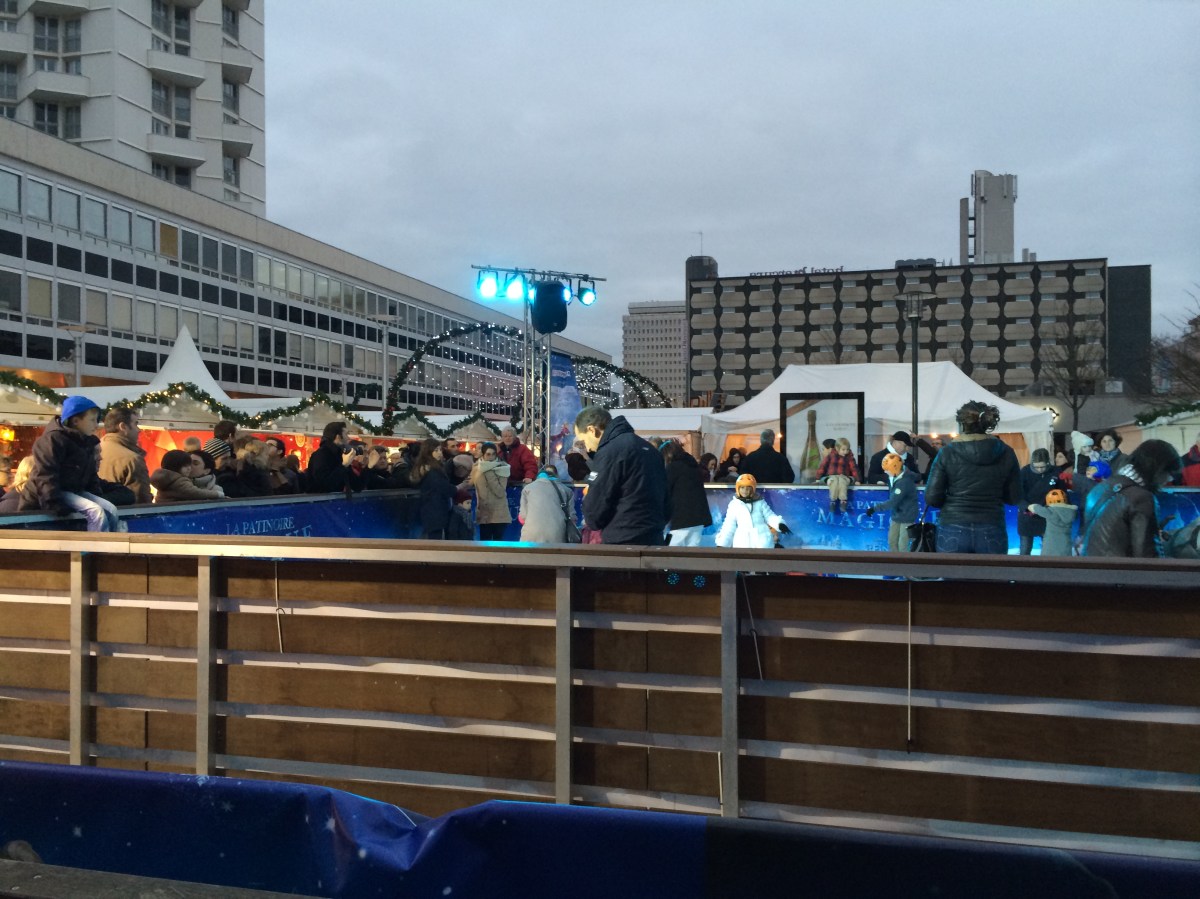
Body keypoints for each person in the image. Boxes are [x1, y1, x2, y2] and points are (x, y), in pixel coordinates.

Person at [923, 401, 1021, 554]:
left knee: (954, 578)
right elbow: (1014, 497)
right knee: (989, 578)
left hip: (952, 526)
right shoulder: (1006, 452)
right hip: (992, 525)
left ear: (962, 424)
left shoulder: (947, 453)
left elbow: (932, 498)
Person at [22, 396, 122, 532]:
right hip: (52, 493)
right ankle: (97, 550)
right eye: (92, 420)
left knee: (111, 509)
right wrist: (54, 503)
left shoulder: (86, 441)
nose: (96, 424)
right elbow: (46, 474)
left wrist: (95, 493)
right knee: (95, 511)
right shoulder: (52, 440)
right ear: (76, 421)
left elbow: (90, 474)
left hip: (72, 491)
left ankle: (112, 546)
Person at [575, 405, 669, 546]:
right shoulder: (650, 450)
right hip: (654, 538)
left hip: (622, 540)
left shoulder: (610, 452)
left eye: (583, 441)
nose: (587, 448)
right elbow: (667, 501)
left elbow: (595, 511)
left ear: (592, 430)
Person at [1081, 440, 1182, 558]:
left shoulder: (1100, 488)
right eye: (1169, 472)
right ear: (1158, 469)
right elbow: (1147, 557)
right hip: (1120, 573)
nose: (1169, 479)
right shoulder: (1142, 499)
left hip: (1090, 569)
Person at [715, 474, 790, 549]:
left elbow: (769, 516)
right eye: (742, 488)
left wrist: (779, 524)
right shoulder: (734, 505)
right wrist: (722, 543)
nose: (745, 491)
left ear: (752, 489)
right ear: (738, 489)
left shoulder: (760, 502)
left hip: (762, 541)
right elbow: (729, 526)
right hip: (743, 543)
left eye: (748, 488)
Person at [98, 407, 151, 504]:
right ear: (123, 427)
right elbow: (142, 503)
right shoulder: (132, 459)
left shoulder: (96, 449)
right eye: (135, 424)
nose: (139, 430)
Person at [865, 453, 917, 553]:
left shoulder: (904, 482)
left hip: (907, 517)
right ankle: (894, 565)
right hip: (897, 515)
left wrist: (874, 508)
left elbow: (893, 501)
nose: (885, 471)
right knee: (892, 542)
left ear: (894, 468)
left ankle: (905, 566)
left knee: (902, 545)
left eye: (887, 469)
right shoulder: (894, 477)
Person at [662, 441, 712, 546]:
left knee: (673, 553)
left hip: (681, 518)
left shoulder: (673, 468)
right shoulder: (693, 466)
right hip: (698, 518)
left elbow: (665, 491)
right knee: (692, 553)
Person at [1016, 448, 1062, 555]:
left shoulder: (1056, 471)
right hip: (1027, 515)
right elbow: (1017, 495)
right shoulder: (1024, 472)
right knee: (1025, 548)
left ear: (1048, 463)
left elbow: (1062, 492)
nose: (1039, 469)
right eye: (1036, 467)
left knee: (1048, 549)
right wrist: (1027, 506)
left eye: (1042, 467)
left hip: (1047, 515)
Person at [409, 437, 455, 539]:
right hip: (434, 511)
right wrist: (460, 487)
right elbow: (444, 488)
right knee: (435, 541)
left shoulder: (430, 467)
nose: (439, 453)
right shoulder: (432, 470)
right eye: (436, 450)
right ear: (428, 452)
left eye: (440, 450)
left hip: (432, 511)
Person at [519, 465, 577, 543]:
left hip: (530, 535)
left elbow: (522, 517)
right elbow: (572, 518)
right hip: (557, 535)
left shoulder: (527, 489)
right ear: (557, 475)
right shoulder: (567, 490)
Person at [306, 421, 364, 493]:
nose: (348, 438)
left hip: (334, 502)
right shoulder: (321, 455)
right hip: (320, 502)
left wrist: (369, 467)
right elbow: (325, 485)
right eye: (346, 434)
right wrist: (343, 466)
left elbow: (357, 486)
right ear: (338, 437)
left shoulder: (340, 455)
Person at [471, 441, 512, 541]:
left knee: (498, 545)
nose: (491, 457)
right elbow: (473, 484)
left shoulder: (502, 467)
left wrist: (488, 472)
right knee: (484, 545)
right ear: (483, 454)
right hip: (484, 512)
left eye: (493, 454)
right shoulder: (476, 467)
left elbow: (500, 492)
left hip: (499, 513)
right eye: (488, 454)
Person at [150, 450, 223, 503]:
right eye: (186, 464)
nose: (190, 467)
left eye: (195, 463)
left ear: (207, 470)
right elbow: (194, 493)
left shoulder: (215, 489)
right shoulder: (178, 481)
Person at [1028, 488, 1077, 557]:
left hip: (1051, 544)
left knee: (1048, 563)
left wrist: (1030, 506)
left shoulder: (1051, 512)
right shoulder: (1071, 512)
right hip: (1065, 544)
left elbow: (1036, 508)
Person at [815, 436, 859, 514]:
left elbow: (853, 468)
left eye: (847, 450)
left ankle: (843, 501)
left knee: (842, 481)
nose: (845, 452)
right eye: (843, 450)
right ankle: (833, 500)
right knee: (834, 481)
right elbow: (823, 466)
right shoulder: (830, 456)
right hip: (832, 476)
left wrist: (857, 479)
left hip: (844, 476)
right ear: (837, 448)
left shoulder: (849, 458)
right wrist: (818, 477)